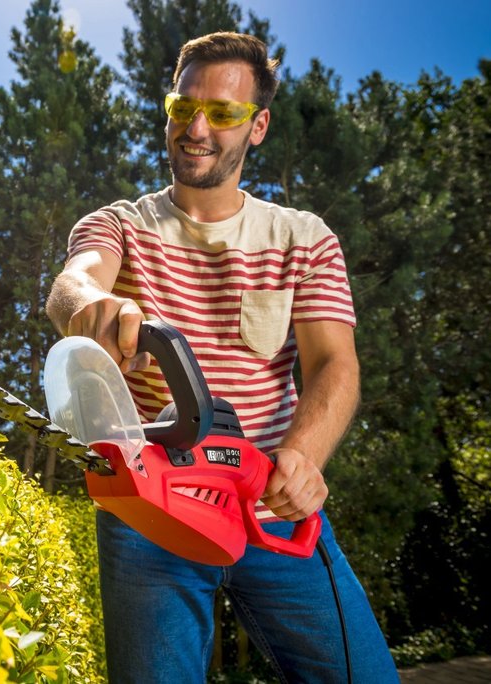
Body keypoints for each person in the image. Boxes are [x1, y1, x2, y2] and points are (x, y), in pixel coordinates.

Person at [46, 32, 399, 683]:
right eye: (183, 109)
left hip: (271, 503)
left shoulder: (303, 238)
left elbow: (334, 365)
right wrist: (90, 305)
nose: (196, 128)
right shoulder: (118, 224)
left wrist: (303, 456)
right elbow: (74, 282)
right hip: (152, 505)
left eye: (223, 113)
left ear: (258, 125)